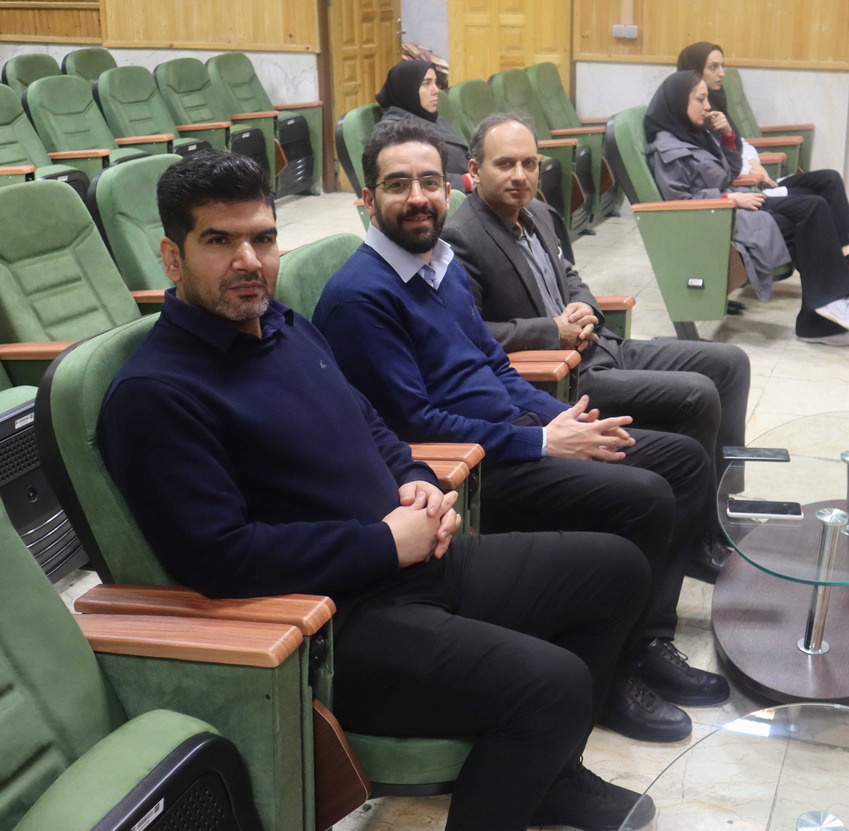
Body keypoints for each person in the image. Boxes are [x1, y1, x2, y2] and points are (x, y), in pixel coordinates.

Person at [97, 149, 657, 831]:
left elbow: (369, 421)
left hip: (413, 559)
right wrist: (384, 544)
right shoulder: (155, 394)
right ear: (172, 257)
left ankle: (549, 778)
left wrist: (415, 480)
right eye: (219, 241)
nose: (249, 260)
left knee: (617, 569)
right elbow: (219, 557)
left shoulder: (282, 325)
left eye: (263, 239)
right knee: (554, 685)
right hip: (337, 624)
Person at [313, 118, 731, 744]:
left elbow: (495, 365)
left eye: (429, 181)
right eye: (398, 185)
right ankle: (612, 681)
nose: (418, 197)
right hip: (477, 469)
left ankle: (646, 641)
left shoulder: (440, 264)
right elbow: (413, 422)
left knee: (684, 460)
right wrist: (540, 442)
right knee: (645, 494)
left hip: (518, 432)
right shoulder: (361, 297)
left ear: (448, 188)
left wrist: (555, 419)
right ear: (368, 200)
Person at [441, 112, 750, 582]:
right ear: (474, 169)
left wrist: (585, 306)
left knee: (730, 363)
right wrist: (552, 331)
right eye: (505, 164)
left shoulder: (538, 212)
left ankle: (717, 506)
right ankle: (693, 542)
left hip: (602, 344)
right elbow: (474, 333)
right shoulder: (462, 236)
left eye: (530, 163)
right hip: (565, 377)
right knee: (697, 393)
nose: (520, 175)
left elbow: (570, 276)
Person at [646, 71, 849, 346]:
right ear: (680, 102)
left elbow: (726, 172)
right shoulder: (666, 149)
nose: (708, 106)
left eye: (707, 99)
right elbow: (679, 202)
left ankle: (828, 306)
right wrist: (728, 199)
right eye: (700, 99)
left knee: (816, 202)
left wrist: (728, 136)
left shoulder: (694, 134)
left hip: (734, 201)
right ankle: (820, 315)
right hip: (721, 215)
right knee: (812, 210)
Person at [675, 40, 849, 281]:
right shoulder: (694, 120)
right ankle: (843, 263)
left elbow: (741, 143)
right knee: (814, 202)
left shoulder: (717, 105)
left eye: (722, 66)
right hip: (746, 189)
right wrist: (747, 172)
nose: (722, 73)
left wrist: (754, 162)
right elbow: (715, 168)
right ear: (695, 72)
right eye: (713, 67)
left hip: (757, 180)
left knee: (829, 179)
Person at [376, 60, 473, 193]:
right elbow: (410, 177)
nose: (436, 90)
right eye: (426, 84)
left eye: (435, 83)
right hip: (445, 198)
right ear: (407, 89)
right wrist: (465, 182)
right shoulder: (392, 131)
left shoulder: (430, 117)